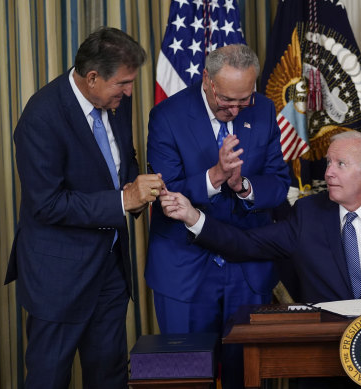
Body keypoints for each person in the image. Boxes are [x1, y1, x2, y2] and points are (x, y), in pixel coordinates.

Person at [159, 130, 361, 388]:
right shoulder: (308, 214)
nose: (328, 173)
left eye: (340, 164)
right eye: (328, 163)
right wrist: (193, 217)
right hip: (324, 363)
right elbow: (245, 244)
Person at [4, 27, 164, 388]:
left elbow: (126, 159)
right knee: (49, 379)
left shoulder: (116, 102)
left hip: (110, 271)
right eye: (123, 83)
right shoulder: (41, 117)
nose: (129, 91)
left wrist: (142, 187)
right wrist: (125, 200)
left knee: (109, 377)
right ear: (92, 78)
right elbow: (46, 204)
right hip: (58, 277)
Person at [145, 44, 290, 388]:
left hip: (248, 271)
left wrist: (243, 186)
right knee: (187, 378)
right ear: (208, 80)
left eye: (244, 99)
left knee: (248, 377)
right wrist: (215, 176)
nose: (236, 108)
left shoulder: (265, 111)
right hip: (186, 270)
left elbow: (279, 183)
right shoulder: (167, 115)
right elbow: (166, 192)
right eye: (227, 99)